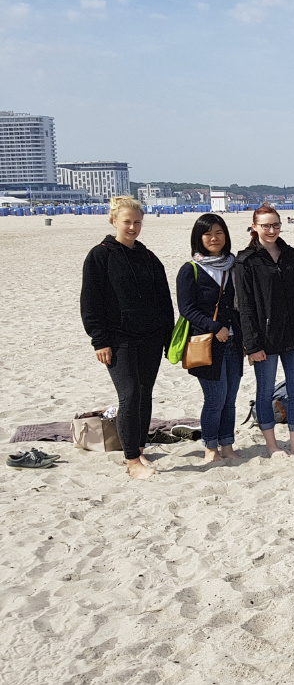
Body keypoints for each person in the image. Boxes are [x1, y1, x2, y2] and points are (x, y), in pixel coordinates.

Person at [81, 196, 174, 480]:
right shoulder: (100, 255)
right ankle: (132, 460)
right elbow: (90, 301)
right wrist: (100, 340)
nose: (132, 227)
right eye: (127, 222)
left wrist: (168, 338)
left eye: (137, 222)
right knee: (130, 394)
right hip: (118, 339)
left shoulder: (148, 257)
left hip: (151, 338)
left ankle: (140, 448)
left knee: (144, 394)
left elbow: (164, 301)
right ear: (114, 222)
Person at [234, 206, 294, 458]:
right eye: (266, 226)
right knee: (265, 390)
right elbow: (245, 306)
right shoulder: (245, 260)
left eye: (276, 225)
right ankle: (272, 446)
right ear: (254, 227)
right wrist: (252, 344)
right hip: (264, 340)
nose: (271, 231)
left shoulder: (292, 256)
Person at [176, 213, 242, 463]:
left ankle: (227, 444)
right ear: (198, 238)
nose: (214, 238)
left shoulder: (233, 265)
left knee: (231, 400)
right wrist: (215, 327)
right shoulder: (191, 269)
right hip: (206, 344)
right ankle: (210, 447)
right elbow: (187, 309)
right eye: (208, 234)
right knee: (215, 399)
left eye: (219, 233)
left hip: (235, 343)